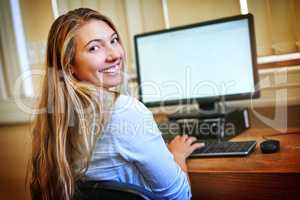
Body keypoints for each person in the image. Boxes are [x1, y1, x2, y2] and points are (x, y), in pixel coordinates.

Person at [27, 8, 203, 200]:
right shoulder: (125, 111)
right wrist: (176, 155)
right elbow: (179, 196)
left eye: (114, 40)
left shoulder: (54, 120)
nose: (114, 55)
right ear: (69, 66)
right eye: (94, 47)